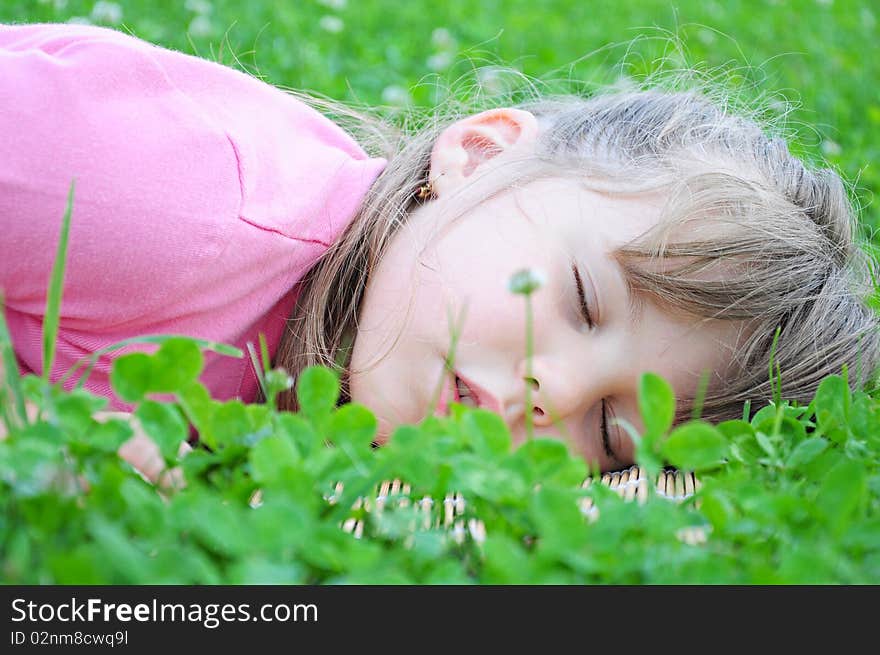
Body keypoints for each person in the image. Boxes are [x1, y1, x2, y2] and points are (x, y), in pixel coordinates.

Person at [1, 22, 877, 478]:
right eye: (579, 298)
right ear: (481, 153)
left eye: (609, 432)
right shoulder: (173, 201)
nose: (555, 392)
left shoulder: (349, 377)